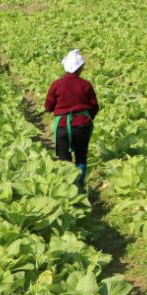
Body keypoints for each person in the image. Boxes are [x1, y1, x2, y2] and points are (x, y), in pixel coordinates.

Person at [44, 50, 100, 193]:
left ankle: (68, 189)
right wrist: (86, 117)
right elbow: (94, 106)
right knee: (81, 156)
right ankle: (79, 187)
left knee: (64, 159)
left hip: (63, 126)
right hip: (82, 126)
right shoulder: (85, 85)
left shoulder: (56, 85)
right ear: (79, 68)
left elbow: (48, 107)